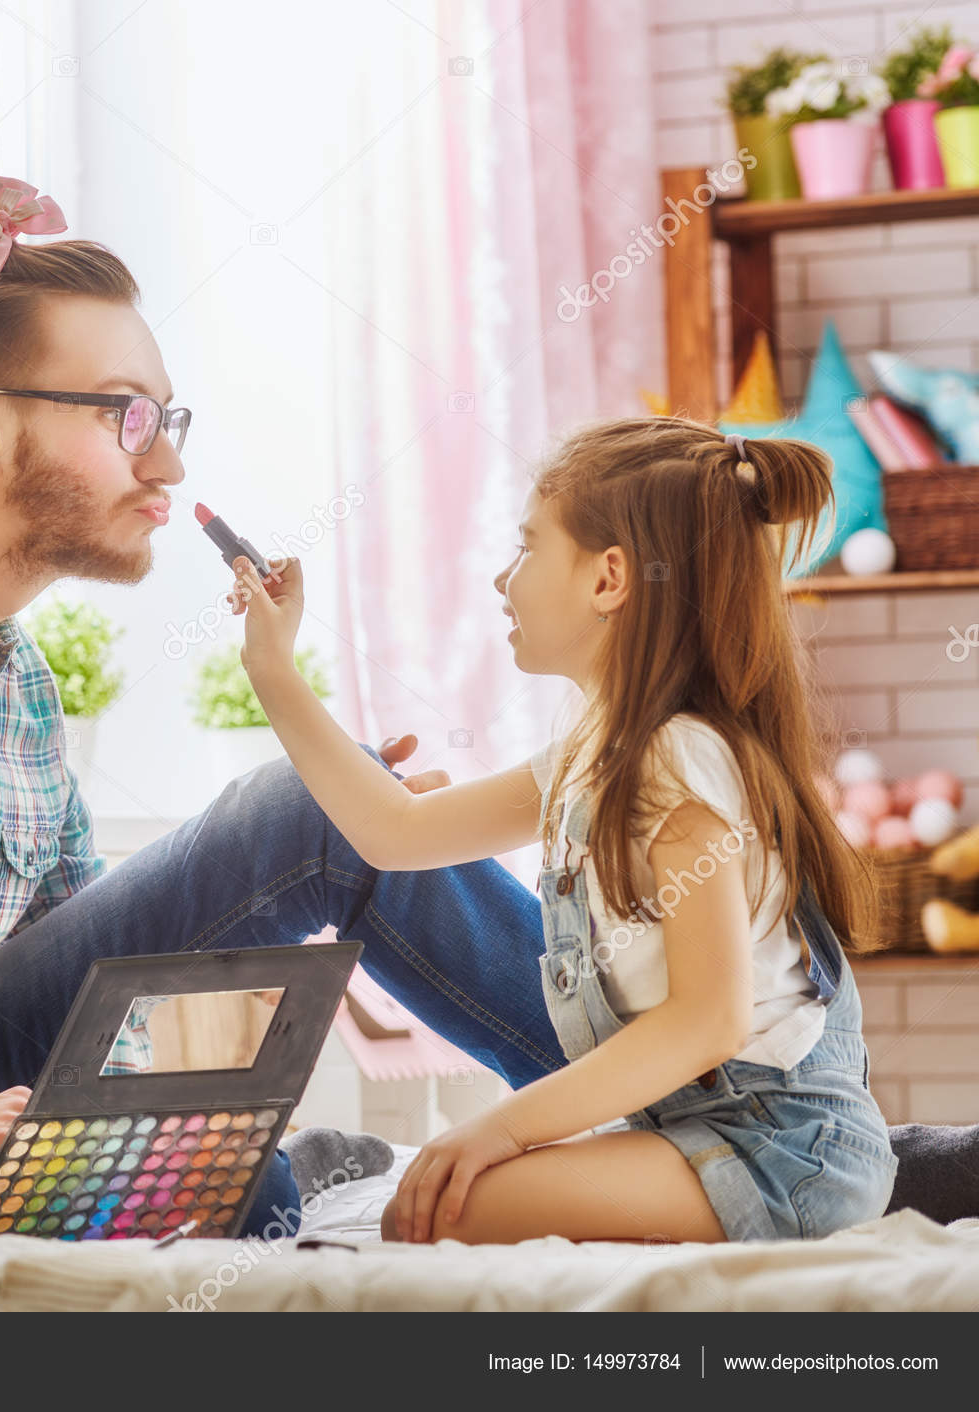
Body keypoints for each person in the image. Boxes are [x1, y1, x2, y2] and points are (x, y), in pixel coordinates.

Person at [0, 177, 975, 1243]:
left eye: (171, 419)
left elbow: (82, 973)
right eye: (126, 416)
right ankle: (702, 1153)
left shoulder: (16, 683)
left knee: (316, 819)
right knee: (245, 1193)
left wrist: (248, 1009)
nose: (167, 463)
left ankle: (736, 1130)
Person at [222, 416, 910, 1244]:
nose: (502, 577)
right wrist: (272, 667)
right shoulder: (594, 752)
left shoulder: (676, 760)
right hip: (689, 1129)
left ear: (609, 578)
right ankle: (352, 1166)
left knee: (435, 1212)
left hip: (779, 1153)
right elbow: (393, 832)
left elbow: (710, 1020)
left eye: (527, 547)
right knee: (434, 1205)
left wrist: (501, 1129)